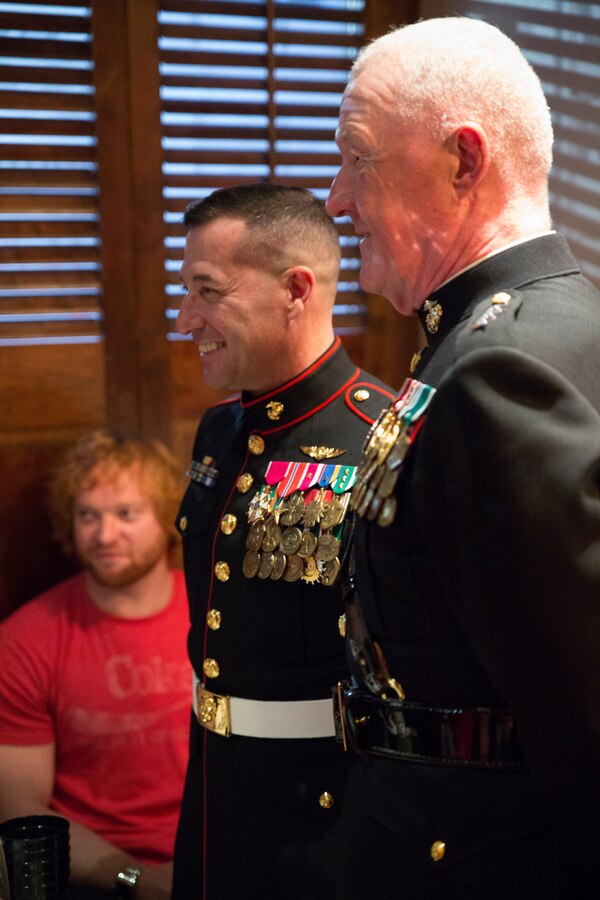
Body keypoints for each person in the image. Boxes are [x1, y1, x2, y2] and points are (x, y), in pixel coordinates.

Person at [325, 16, 600, 899]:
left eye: (356, 159)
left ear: (463, 162)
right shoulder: (563, 319)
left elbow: (583, 710)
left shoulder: (496, 370)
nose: (334, 198)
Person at [171, 183, 394, 899]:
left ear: (296, 289)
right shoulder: (221, 431)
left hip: (321, 816)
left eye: (206, 292)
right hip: (211, 786)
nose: (185, 320)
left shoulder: (381, 439)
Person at [0, 430, 191, 899]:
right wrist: (138, 879)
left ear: (165, 516)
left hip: (220, 856)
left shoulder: (217, 615)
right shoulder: (26, 639)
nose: (105, 535)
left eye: (126, 513)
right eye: (88, 515)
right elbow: (20, 808)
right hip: (93, 877)